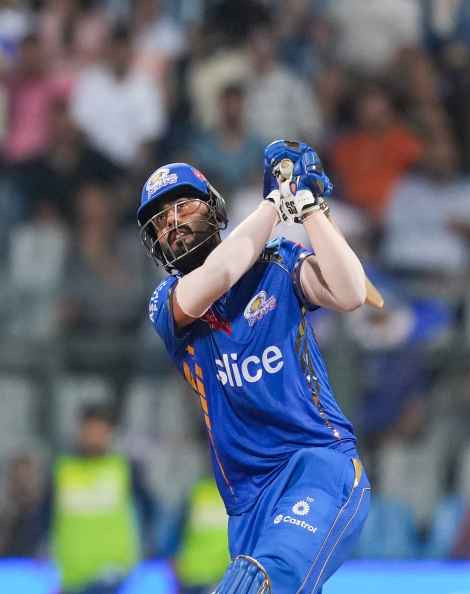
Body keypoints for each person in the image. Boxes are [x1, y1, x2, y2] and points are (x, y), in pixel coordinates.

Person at [137, 140, 371, 594]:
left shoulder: (279, 264)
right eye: (161, 221)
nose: (172, 224)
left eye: (182, 207)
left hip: (316, 467)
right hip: (247, 505)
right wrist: (274, 202)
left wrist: (309, 205)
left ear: (213, 209)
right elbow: (221, 275)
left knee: (252, 583)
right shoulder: (167, 302)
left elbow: (351, 293)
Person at [45, 405, 156, 594]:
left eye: (100, 430)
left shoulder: (124, 468)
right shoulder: (62, 470)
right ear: (80, 431)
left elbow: (150, 510)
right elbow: (44, 517)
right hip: (73, 577)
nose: (94, 436)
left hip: (115, 575)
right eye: (90, 430)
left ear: (109, 432)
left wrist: (149, 549)